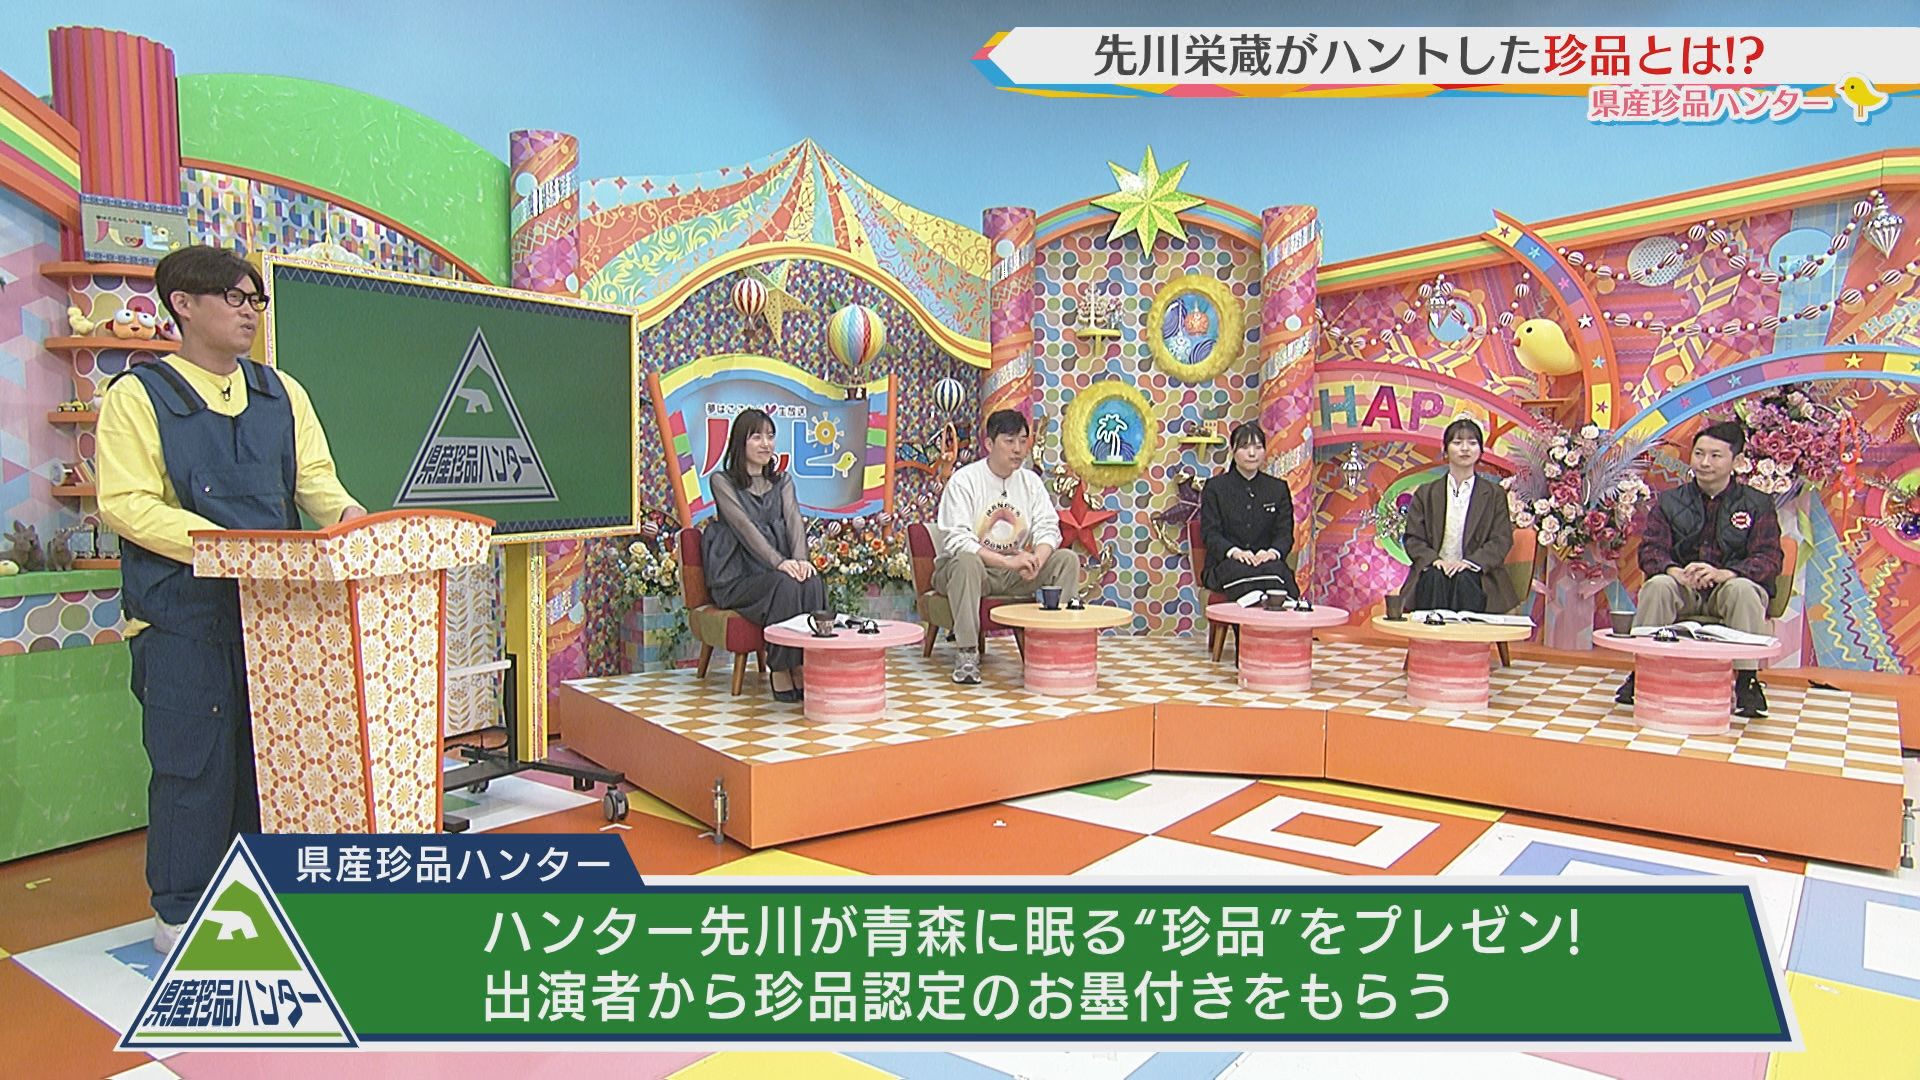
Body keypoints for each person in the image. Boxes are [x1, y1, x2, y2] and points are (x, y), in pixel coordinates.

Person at [96, 245, 366, 954]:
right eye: (234, 298)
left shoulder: (283, 393)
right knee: (193, 763)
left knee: (273, 757)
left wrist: (347, 518)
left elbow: (315, 481)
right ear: (183, 304)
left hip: (278, 618)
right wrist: (225, 547)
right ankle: (181, 909)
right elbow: (126, 502)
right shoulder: (139, 396)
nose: (249, 312)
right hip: (181, 619)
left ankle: (261, 892)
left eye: (255, 300)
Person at [1616, 420, 1782, 718]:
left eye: (1716, 456)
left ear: (1737, 461)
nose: (1705, 463)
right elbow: (1650, 550)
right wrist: (1674, 571)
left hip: (1728, 587)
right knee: (1658, 585)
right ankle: (1642, 672)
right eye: (1699, 454)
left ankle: (1747, 681)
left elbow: (1769, 558)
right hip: (1684, 588)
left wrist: (1725, 574)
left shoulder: (1758, 504)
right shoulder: (1670, 501)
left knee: (1742, 590)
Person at [933, 408, 1081, 684]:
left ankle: (1058, 647)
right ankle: (967, 653)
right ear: (989, 444)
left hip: (1014, 572)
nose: (1018, 449)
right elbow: (957, 540)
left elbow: (1048, 527)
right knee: (966, 561)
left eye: (1023, 441)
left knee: (1065, 560)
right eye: (1009, 441)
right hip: (970, 571)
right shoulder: (965, 480)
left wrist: (1037, 559)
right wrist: (1007, 561)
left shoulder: (1030, 482)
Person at [701, 408, 827, 703]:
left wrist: (801, 562)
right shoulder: (722, 481)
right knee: (784, 584)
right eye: (756, 437)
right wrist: (780, 563)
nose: (765, 444)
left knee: (811, 582)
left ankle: (803, 663)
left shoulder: (783, 482)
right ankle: (780, 667)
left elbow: (794, 522)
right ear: (740, 442)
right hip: (738, 578)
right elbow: (744, 528)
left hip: (774, 574)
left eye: (770, 436)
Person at [1398, 418, 1518, 615]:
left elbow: (1501, 539)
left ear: (1480, 451)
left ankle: (1469, 636)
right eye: (1457, 442)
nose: (1465, 448)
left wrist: (1469, 563)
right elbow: (1413, 538)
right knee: (1434, 578)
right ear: (1445, 450)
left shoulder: (1494, 494)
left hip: (1478, 574)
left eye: (1472, 443)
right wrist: (1435, 561)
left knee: (1465, 580)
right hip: (1433, 572)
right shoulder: (1426, 493)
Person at [1199, 420, 1299, 600]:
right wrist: (1235, 552)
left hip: (1267, 564)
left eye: (1258, 447)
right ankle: (1248, 615)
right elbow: (1210, 533)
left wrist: (1271, 553)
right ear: (1233, 450)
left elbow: (1285, 534)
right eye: (1245, 447)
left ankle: (1271, 614)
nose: (1252, 453)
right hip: (1227, 563)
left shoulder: (1278, 488)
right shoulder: (1215, 487)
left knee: (1277, 572)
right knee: (1239, 571)